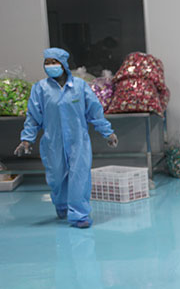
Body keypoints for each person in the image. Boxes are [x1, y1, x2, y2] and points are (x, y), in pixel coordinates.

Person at [14, 47, 118, 228]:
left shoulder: (79, 86)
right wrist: (27, 139)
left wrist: (107, 132)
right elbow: (33, 117)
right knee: (56, 177)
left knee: (79, 177)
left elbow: (94, 111)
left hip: (78, 141)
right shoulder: (40, 88)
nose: (50, 66)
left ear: (63, 64)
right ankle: (61, 204)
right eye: (47, 63)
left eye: (54, 62)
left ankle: (79, 215)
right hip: (52, 142)